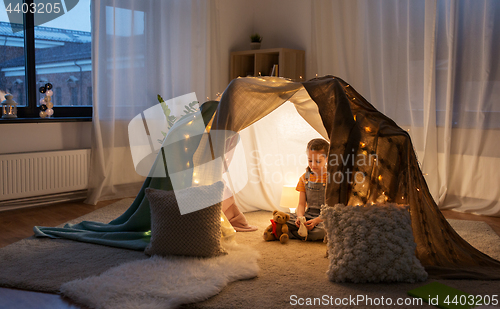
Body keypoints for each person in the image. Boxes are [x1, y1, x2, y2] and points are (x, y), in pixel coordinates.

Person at [287, 138, 329, 241]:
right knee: (284, 217)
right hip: (308, 215)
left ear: (327, 159)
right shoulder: (304, 178)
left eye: (318, 161)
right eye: (310, 160)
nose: (313, 165)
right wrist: (300, 217)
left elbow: (333, 207)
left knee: (322, 231)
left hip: (324, 218)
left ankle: (290, 233)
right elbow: (301, 204)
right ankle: (301, 231)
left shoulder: (332, 178)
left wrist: (316, 221)